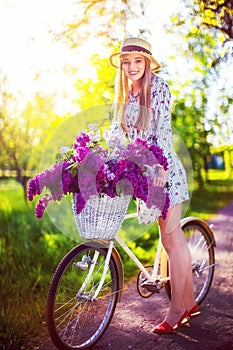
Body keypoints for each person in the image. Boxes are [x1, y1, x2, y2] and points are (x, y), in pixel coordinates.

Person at [109, 37, 199, 333]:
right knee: (172, 241)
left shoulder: (157, 87)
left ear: (147, 62)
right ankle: (190, 302)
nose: (132, 67)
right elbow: (119, 135)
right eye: (126, 61)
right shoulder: (125, 94)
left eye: (137, 61)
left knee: (172, 242)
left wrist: (159, 166)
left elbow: (163, 131)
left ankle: (177, 312)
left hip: (164, 172)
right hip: (143, 175)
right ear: (121, 65)